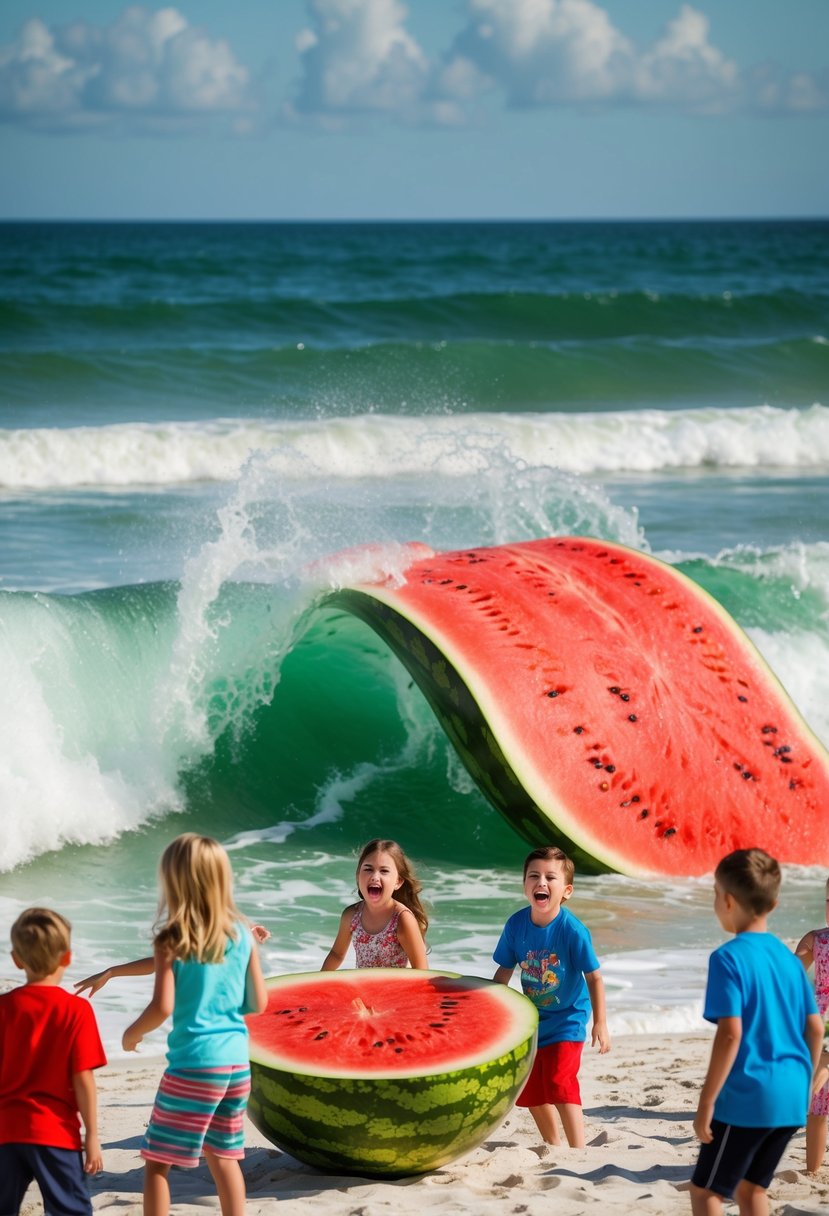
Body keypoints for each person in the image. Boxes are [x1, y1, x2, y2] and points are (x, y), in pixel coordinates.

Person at [106, 834, 267, 1216]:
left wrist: (133, 1034)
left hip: (194, 1066)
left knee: (158, 1163)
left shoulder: (172, 939)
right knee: (223, 1157)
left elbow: (163, 1006)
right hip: (236, 1065)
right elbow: (258, 1003)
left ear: (174, 882)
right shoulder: (243, 935)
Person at [690, 848, 823, 1216]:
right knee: (752, 1190)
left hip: (748, 1097)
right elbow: (814, 1029)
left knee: (706, 1193)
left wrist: (706, 1102)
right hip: (793, 1095)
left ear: (728, 901)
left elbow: (730, 1035)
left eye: (716, 895)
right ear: (774, 903)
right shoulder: (789, 961)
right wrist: (805, 1080)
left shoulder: (728, 958)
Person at [492, 845, 610, 1148]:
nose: (541, 882)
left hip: (570, 1015)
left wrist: (600, 1023)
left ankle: (578, 1147)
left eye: (550, 877)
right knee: (530, 1090)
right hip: (532, 1019)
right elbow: (504, 971)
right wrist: (490, 1011)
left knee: (559, 1080)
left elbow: (594, 977)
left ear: (566, 890)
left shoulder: (573, 931)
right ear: (524, 885)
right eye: (534, 876)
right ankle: (553, 1143)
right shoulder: (515, 925)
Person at [0, 907, 106, 1216]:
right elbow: (82, 1078)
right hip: (55, 1133)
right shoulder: (75, 1011)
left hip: (6, 1131)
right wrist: (93, 1136)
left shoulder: (3, 1009)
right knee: (69, 1210)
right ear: (67, 958)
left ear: (17, 959)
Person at [321, 838, 429, 970]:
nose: (374, 877)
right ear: (357, 875)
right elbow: (336, 954)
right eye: (368, 869)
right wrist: (317, 985)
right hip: (363, 989)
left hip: (394, 989)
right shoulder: (351, 916)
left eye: (384, 871)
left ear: (398, 882)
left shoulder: (402, 919)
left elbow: (421, 970)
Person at [794, 872, 829, 1173]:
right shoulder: (815, 939)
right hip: (820, 1019)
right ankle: (812, 1169)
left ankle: (813, 1168)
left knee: (817, 1097)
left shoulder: (816, 939)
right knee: (818, 1107)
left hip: (821, 1020)